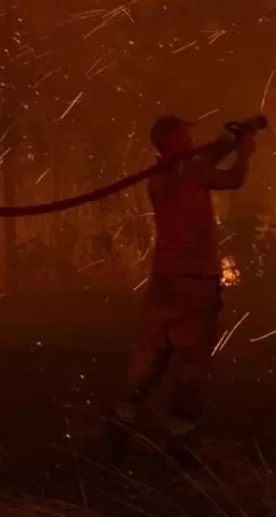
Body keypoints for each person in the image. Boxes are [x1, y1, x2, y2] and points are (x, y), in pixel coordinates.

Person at [106, 114, 256, 468]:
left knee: (148, 364)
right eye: (185, 135)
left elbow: (200, 165)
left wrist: (227, 140)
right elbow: (233, 178)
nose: (191, 139)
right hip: (194, 285)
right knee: (191, 369)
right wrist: (245, 152)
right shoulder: (192, 174)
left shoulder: (159, 179)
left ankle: (117, 430)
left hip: (164, 283)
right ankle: (181, 448)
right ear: (175, 140)